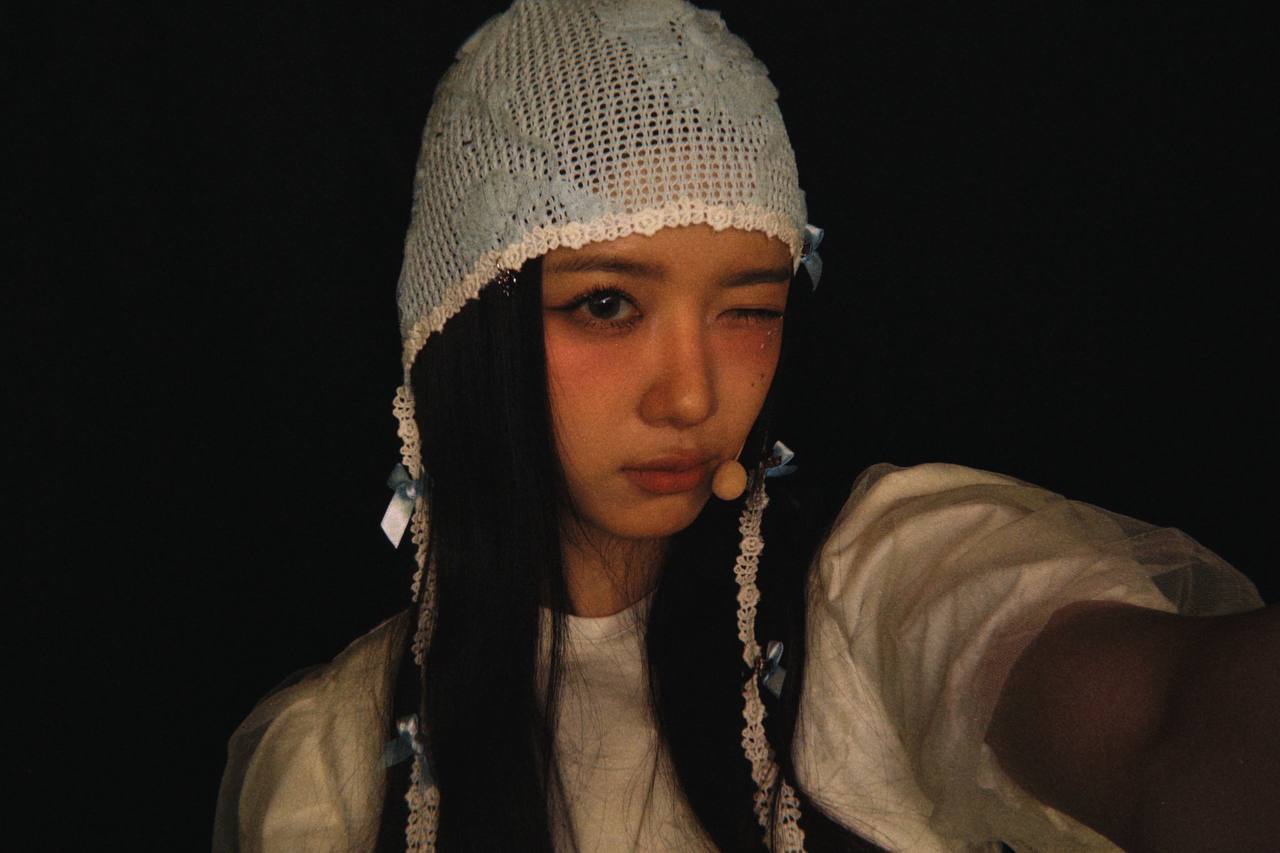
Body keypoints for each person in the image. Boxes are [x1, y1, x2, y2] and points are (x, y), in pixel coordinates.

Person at [213, 1, 1277, 850]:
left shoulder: (869, 586)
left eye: (750, 310)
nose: (691, 396)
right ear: (461, 330)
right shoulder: (334, 759)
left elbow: (1163, 719)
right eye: (607, 304)